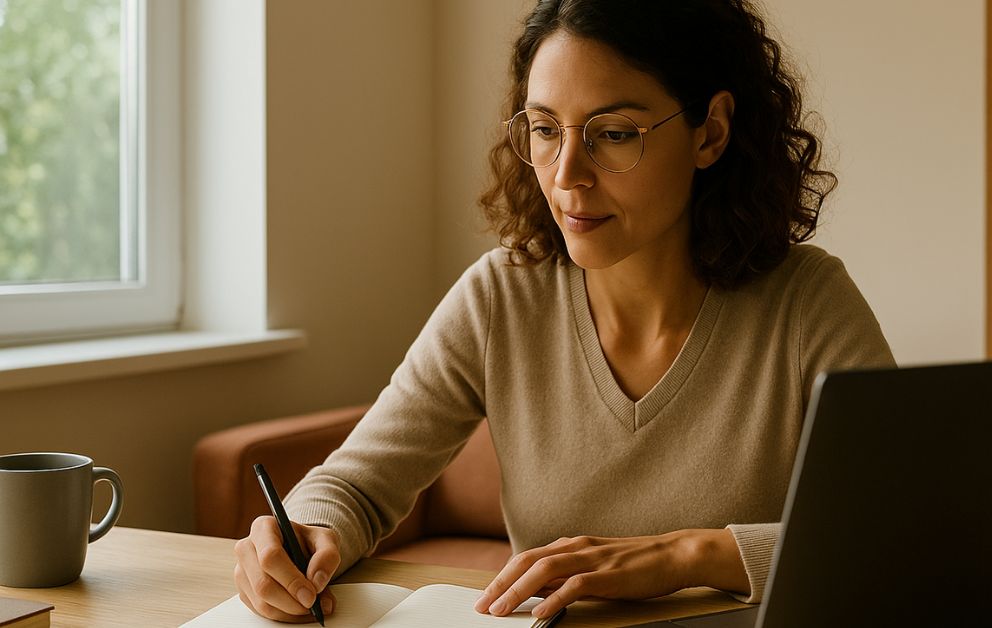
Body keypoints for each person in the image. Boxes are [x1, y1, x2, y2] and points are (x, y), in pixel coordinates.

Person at [232, 0, 894, 622]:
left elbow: (901, 528)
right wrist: (299, 535)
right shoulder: (502, 297)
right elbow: (355, 486)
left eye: (612, 133)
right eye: (545, 129)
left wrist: (686, 556)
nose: (566, 173)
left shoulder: (808, 304)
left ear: (710, 133)